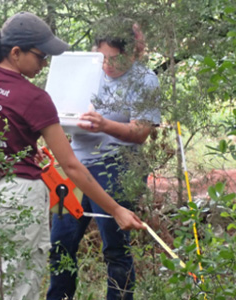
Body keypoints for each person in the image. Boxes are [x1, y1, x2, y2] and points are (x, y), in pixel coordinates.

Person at [0, 11, 146, 300]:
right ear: (16, 52)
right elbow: (71, 165)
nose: (44, 64)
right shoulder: (35, 99)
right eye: (40, 56)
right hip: (19, 197)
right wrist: (116, 210)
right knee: (20, 288)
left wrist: (10, 150)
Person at [47, 17, 161, 300]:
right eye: (102, 58)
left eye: (114, 59)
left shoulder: (145, 80)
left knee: (115, 248)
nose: (107, 65)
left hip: (118, 168)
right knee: (60, 243)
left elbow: (141, 131)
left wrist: (104, 125)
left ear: (134, 52)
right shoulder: (85, 70)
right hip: (74, 169)